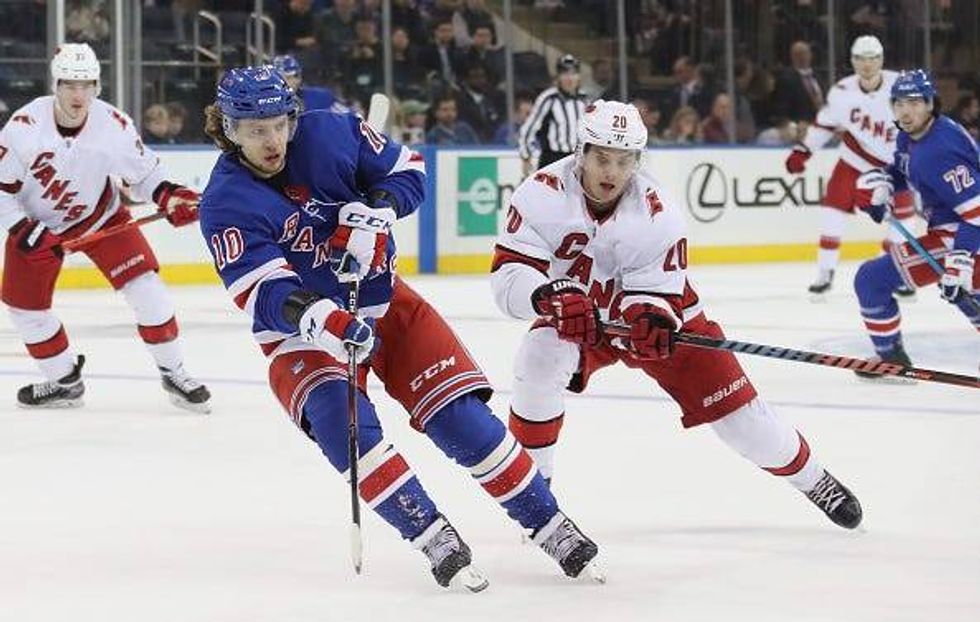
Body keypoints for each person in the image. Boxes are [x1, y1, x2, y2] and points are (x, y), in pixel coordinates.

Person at [198, 66, 601, 590]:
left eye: (278, 124)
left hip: (385, 301)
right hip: (303, 334)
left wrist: (379, 210)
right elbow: (264, 292)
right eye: (255, 131)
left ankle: (551, 525)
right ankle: (433, 536)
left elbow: (409, 172)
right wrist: (324, 318)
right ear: (229, 130)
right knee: (347, 432)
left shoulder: (332, 133)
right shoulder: (225, 202)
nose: (272, 139)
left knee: (460, 419)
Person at [490, 100, 863, 531]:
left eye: (623, 161)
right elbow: (507, 278)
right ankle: (534, 499)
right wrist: (546, 295)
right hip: (584, 318)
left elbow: (656, 295)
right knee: (538, 355)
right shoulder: (539, 194)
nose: (611, 172)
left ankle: (814, 479)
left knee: (747, 428)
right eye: (602, 159)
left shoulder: (657, 212)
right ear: (581, 153)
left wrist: (653, 320)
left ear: (637, 161)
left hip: (666, 323)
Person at [0, 43, 210, 411]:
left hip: (101, 216)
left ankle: (174, 371)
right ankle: (63, 380)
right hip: (36, 228)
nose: (78, 94)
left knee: (149, 290)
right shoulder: (23, 128)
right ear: (55, 84)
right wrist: (21, 229)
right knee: (25, 309)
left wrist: (167, 197)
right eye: (69, 84)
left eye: (86, 85)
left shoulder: (114, 125)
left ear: (97, 86)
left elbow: (146, 175)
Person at [851, 69, 980, 376]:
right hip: (954, 232)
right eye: (898, 103)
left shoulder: (940, 150)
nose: (905, 111)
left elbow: (976, 211)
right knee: (968, 298)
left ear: (929, 104)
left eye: (913, 102)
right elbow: (903, 169)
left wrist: (959, 260)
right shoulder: (912, 136)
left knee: (871, 280)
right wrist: (884, 188)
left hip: (961, 235)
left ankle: (890, 358)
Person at [783, 36, 916, 298]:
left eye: (873, 58)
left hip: (894, 166)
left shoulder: (900, 87)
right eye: (861, 59)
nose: (867, 65)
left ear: (881, 60)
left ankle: (893, 270)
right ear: (853, 61)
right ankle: (825, 271)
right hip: (854, 160)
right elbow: (824, 125)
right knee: (832, 210)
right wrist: (803, 150)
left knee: (905, 220)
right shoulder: (841, 93)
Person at [518, 54, 587, 176]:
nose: (569, 78)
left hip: (577, 160)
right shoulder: (549, 98)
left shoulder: (584, 100)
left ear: (579, 77)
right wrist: (526, 156)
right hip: (552, 159)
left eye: (573, 73)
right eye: (565, 74)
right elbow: (528, 129)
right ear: (558, 77)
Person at [273, 54, 344, 114]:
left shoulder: (320, 97)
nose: (295, 81)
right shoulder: (266, 104)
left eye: (296, 76)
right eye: (288, 77)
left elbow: (346, 117)